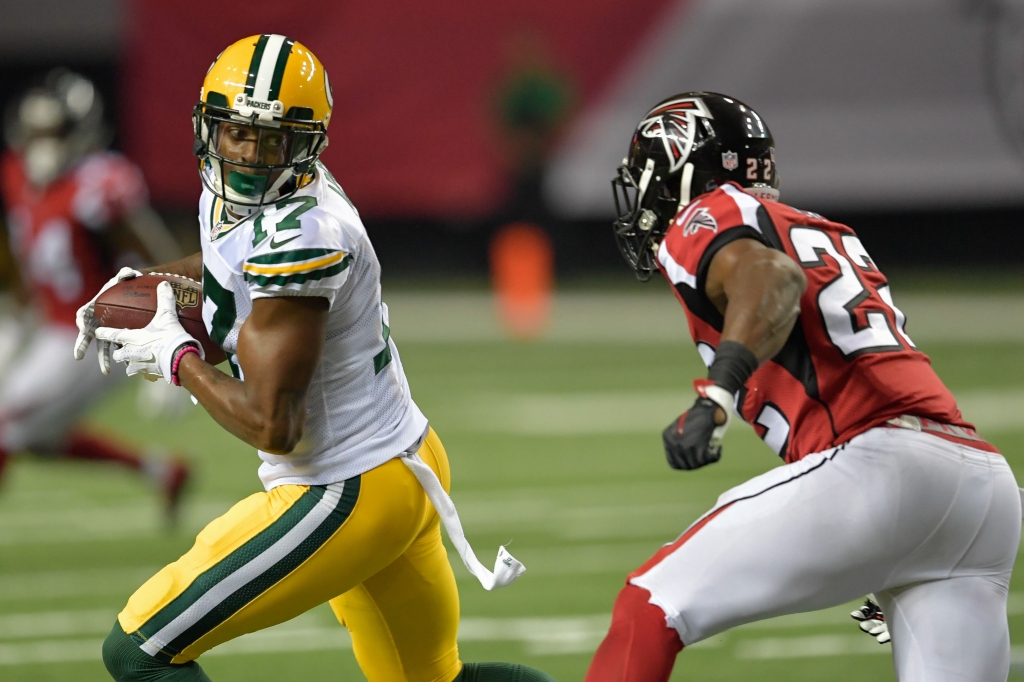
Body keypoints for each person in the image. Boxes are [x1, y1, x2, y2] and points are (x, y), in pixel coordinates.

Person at [76, 34, 558, 682]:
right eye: (235, 132)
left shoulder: (303, 234)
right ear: (208, 127)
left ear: (304, 143)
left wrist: (173, 355)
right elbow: (229, 274)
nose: (246, 153)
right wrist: (149, 287)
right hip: (397, 460)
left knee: (139, 649)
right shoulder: (250, 197)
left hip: (342, 487)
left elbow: (274, 423)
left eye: (268, 139)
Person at [584, 92, 1020, 682]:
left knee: (650, 605)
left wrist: (716, 397)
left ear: (683, 169)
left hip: (880, 468)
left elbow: (773, 279)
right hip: (979, 488)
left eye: (651, 180)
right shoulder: (821, 230)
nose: (648, 199)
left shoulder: (708, 214)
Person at [0, 68, 189, 520]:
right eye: (37, 131)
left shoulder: (99, 182)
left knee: (6, 425)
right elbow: (19, 250)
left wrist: (173, 333)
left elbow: (153, 255)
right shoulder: (17, 175)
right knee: (39, 439)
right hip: (52, 326)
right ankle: (161, 470)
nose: (44, 143)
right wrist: (18, 305)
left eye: (55, 131)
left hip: (95, 329)